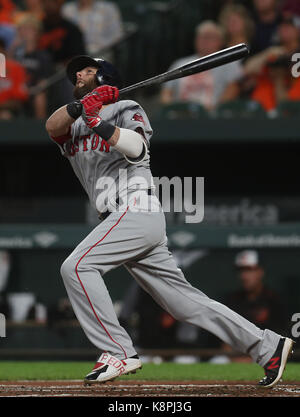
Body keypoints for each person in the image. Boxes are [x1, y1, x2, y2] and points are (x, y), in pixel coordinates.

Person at [45, 54, 293, 387]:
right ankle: (268, 346)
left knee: (76, 267)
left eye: (88, 70)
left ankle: (117, 351)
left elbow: (137, 149)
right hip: (120, 218)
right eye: (75, 71)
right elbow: (51, 127)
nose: (78, 73)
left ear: (105, 77)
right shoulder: (72, 123)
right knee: (186, 304)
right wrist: (83, 109)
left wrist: (99, 120)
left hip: (135, 208)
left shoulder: (126, 106)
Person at [160, 21, 244, 112]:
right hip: (180, 117)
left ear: (220, 41)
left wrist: (214, 112)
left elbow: (233, 89)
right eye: (200, 37)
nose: (204, 41)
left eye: (208, 37)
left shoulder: (228, 63)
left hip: (212, 119)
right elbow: (166, 92)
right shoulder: (180, 63)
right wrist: (172, 110)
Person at [244, 15, 300, 113]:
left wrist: (282, 74)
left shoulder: (297, 56)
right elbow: (247, 70)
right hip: (261, 110)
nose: (284, 29)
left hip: (290, 112)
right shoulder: (275, 53)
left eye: (289, 26)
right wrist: (267, 54)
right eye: (282, 26)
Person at [227, 250, 288, 336]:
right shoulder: (232, 301)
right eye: (241, 270)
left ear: (260, 271)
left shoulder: (274, 300)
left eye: (249, 270)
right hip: (239, 348)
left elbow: (282, 338)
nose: (244, 276)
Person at [9, 14, 54, 118]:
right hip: (15, 91)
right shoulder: (14, 53)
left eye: (29, 29)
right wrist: (13, 48)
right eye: (22, 29)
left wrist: (31, 90)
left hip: (33, 91)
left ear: (37, 33)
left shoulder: (42, 55)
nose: (25, 33)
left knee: (40, 97)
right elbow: (7, 71)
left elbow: (44, 81)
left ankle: (40, 129)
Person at [38, 0, 86, 66]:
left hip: (66, 70)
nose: (49, 6)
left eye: (52, 2)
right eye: (45, 3)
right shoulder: (39, 28)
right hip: (43, 69)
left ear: (59, 4)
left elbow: (79, 56)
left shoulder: (71, 28)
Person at [0, 37, 29, 119]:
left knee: (5, 115)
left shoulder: (14, 67)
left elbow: (18, 101)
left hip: (6, 111)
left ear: (3, 50)